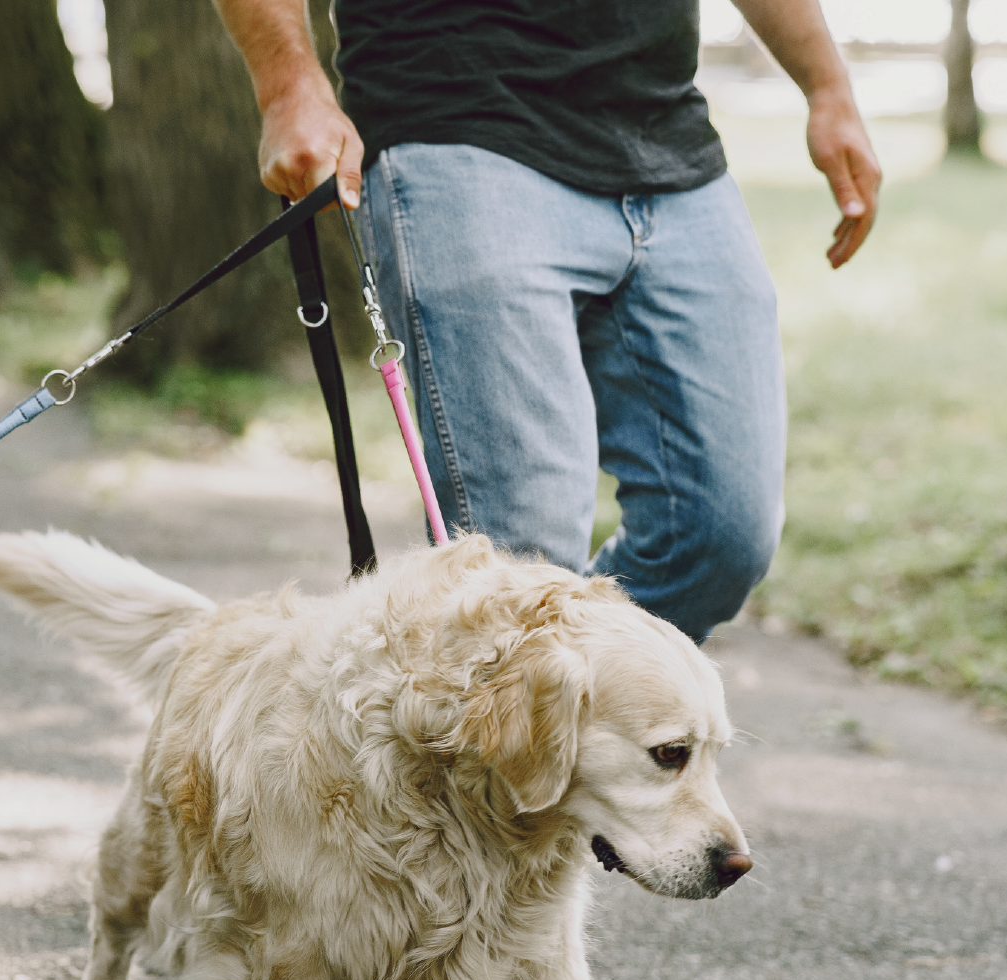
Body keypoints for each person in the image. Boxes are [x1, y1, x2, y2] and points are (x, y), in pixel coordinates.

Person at [212, 0, 881, 643]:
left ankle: (557, 702)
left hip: (666, 135)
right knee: (520, 575)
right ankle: (520, 723)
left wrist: (827, 84)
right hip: (458, 121)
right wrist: (287, 85)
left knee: (716, 533)